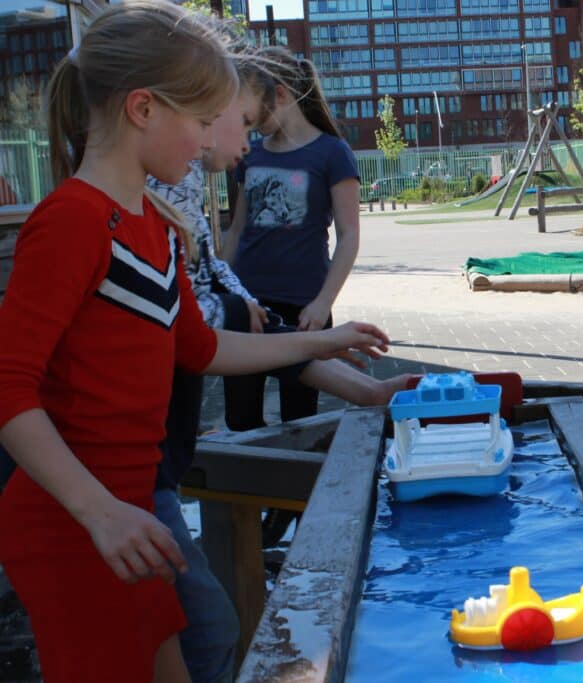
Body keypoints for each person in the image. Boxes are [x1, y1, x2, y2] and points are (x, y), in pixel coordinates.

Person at [0, 3, 390, 681]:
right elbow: (8, 388)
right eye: (203, 120)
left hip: (132, 512)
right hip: (77, 522)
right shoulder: (70, 222)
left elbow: (201, 348)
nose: (210, 139)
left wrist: (319, 344)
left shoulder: (156, 226)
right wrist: (99, 512)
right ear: (143, 109)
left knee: (198, 650)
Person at [144, 52, 408, 683]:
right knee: (201, 634)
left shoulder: (181, 191)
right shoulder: (131, 209)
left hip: (151, 469)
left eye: (237, 122)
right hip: (129, 480)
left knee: (199, 634)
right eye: (230, 122)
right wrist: (310, 344)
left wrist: (342, 363)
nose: (240, 145)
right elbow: (206, 335)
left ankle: (275, 530)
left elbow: (215, 311)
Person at [220, 46, 362, 433]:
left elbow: (349, 236)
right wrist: (223, 293)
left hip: (304, 309)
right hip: (248, 307)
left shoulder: (332, 153)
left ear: (280, 95)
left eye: (253, 113)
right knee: (241, 421)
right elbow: (237, 229)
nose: (249, 125)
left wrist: (323, 303)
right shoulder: (250, 154)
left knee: (300, 423)